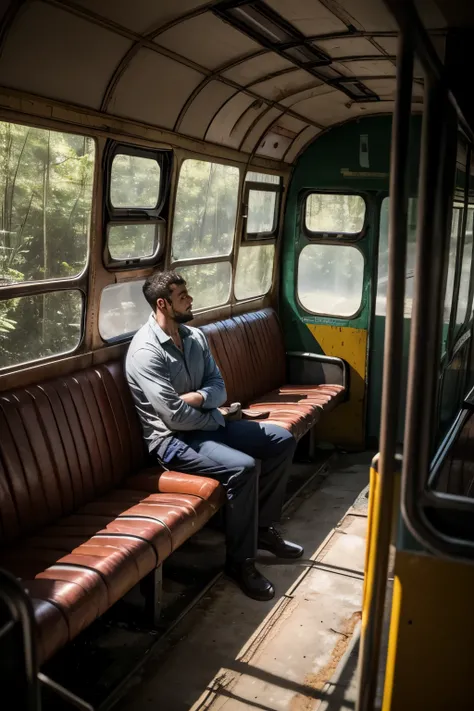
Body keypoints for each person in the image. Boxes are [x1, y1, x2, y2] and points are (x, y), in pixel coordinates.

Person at [125, 270, 303, 601]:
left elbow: (219, 389)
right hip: (172, 442)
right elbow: (173, 417)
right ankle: (240, 562)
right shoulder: (146, 352)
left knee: (281, 440)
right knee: (242, 468)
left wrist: (198, 400)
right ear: (162, 304)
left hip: (208, 424)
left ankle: (262, 529)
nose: (190, 299)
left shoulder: (194, 337)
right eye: (182, 296)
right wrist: (210, 413)